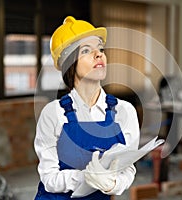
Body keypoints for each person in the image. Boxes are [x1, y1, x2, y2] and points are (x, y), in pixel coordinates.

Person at [34, 16, 140, 200]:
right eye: (86, 50)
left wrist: (112, 184)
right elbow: (49, 178)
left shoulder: (125, 111)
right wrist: (87, 177)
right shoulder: (53, 113)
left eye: (100, 48)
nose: (99, 54)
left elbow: (127, 169)